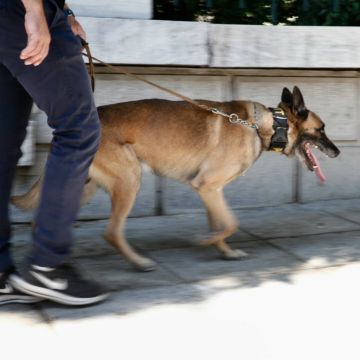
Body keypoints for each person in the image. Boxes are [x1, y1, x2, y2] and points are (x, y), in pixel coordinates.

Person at [0, 0, 109, 306]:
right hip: (21, 12)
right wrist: (36, 12)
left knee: (3, 146)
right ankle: (46, 267)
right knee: (79, 131)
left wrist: (66, 12)